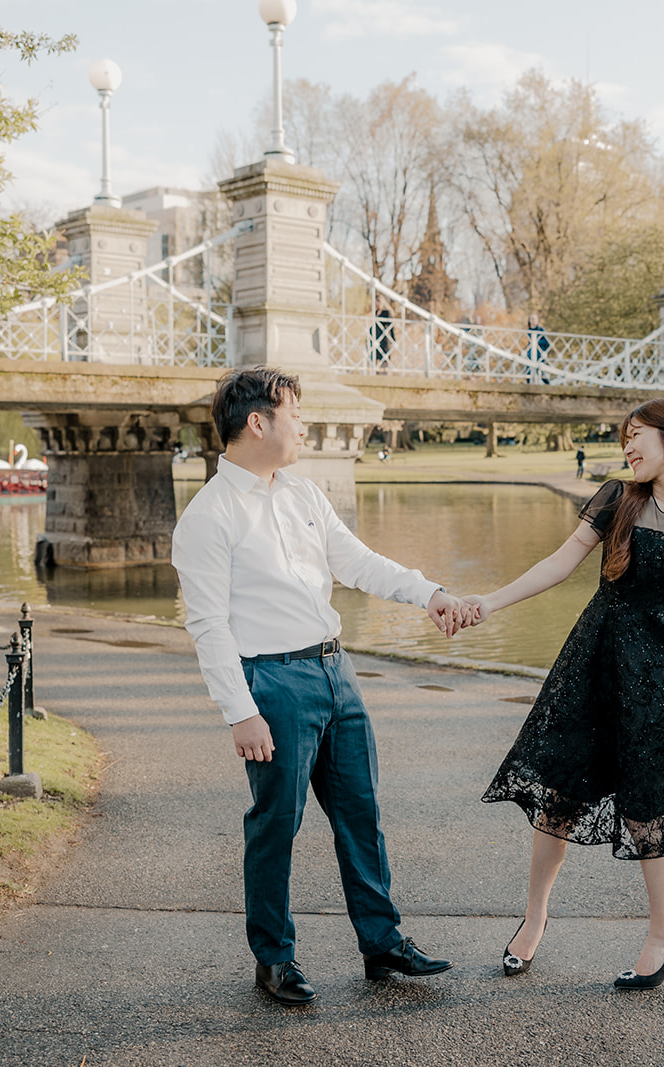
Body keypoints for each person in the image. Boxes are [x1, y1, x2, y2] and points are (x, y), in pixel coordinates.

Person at [171, 367, 478, 1006]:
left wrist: (431, 593)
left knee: (361, 814)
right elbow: (207, 624)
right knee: (275, 824)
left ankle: (383, 945)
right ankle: (275, 959)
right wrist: (240, 711)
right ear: (258, 422)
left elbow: (358, 562)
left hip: (336, 672)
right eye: (295, 413)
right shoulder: (209, 516)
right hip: (271, 684)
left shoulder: (304, 495)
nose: (304, 424)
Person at [464, 396, 664, 990]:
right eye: (624, 440)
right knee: (558, 795)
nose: (628, 448)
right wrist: (488, 603)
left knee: (647, 805)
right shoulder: (616, 499)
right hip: (594, 663)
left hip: (661, 679)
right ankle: (533, 922)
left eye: (637, 436)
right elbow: (558, 564)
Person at [371, 303, 395, 373]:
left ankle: (385, 373)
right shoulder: (375, 313)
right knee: (375, 358)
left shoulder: (386, 313)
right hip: (376, 338)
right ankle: (376, 374)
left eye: (377, 302)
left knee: (384, 358)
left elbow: (391, 326)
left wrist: (393, 339)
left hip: (384, 339)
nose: (375, 304)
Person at [527, 314, 550, 384]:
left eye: (535, 319)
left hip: (540, 353)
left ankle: (548, 384)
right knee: (528, 369)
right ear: (529, 320)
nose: (533, 321)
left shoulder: (541, 330)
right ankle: (528, 385)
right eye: (532, 319)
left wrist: (536, 341)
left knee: (540, 370)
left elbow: (547, 341)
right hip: (530, 353)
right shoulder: (528, 330)